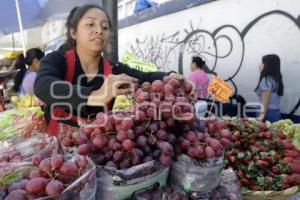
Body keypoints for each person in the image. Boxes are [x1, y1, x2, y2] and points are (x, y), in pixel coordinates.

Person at [34, 4, 184, 135]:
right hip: (60, 159)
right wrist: (95, 95)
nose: (99, 30)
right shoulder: (57, 60)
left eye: (105, 27)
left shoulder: (113, 69)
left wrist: (170, 76)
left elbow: (145, 77)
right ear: (73, 32)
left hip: (97, 154)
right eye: (90, 24)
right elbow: (43, 85)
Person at [255, 54, 284, 122]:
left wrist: (259, 120)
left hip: (266, 113)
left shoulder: (266, 80)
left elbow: (265, 102)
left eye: (262, 63)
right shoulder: (276, 79)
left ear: (268, 65)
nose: (260, 65)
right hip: (275, 113)